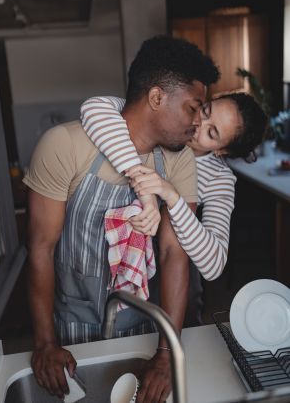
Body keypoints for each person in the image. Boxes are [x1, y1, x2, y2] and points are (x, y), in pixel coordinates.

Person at [24, 35, 220, 403]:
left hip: (144, 327)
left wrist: (164, 353)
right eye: (193, 108)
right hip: (71, 327)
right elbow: (40, 247)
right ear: (157, 97)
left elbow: (173, 254)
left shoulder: (178, 161)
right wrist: (46, 342)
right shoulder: (65, 144)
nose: (197, 123)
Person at [80, 92, 268, 314]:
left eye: (211, 133)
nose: (198, 124)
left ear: (221, 150)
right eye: (205, 111)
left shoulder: (219, 178)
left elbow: (214, 265)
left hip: (175, 281)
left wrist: (173, 197)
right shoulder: (164, 122)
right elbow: (93, 106)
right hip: (115, 262)